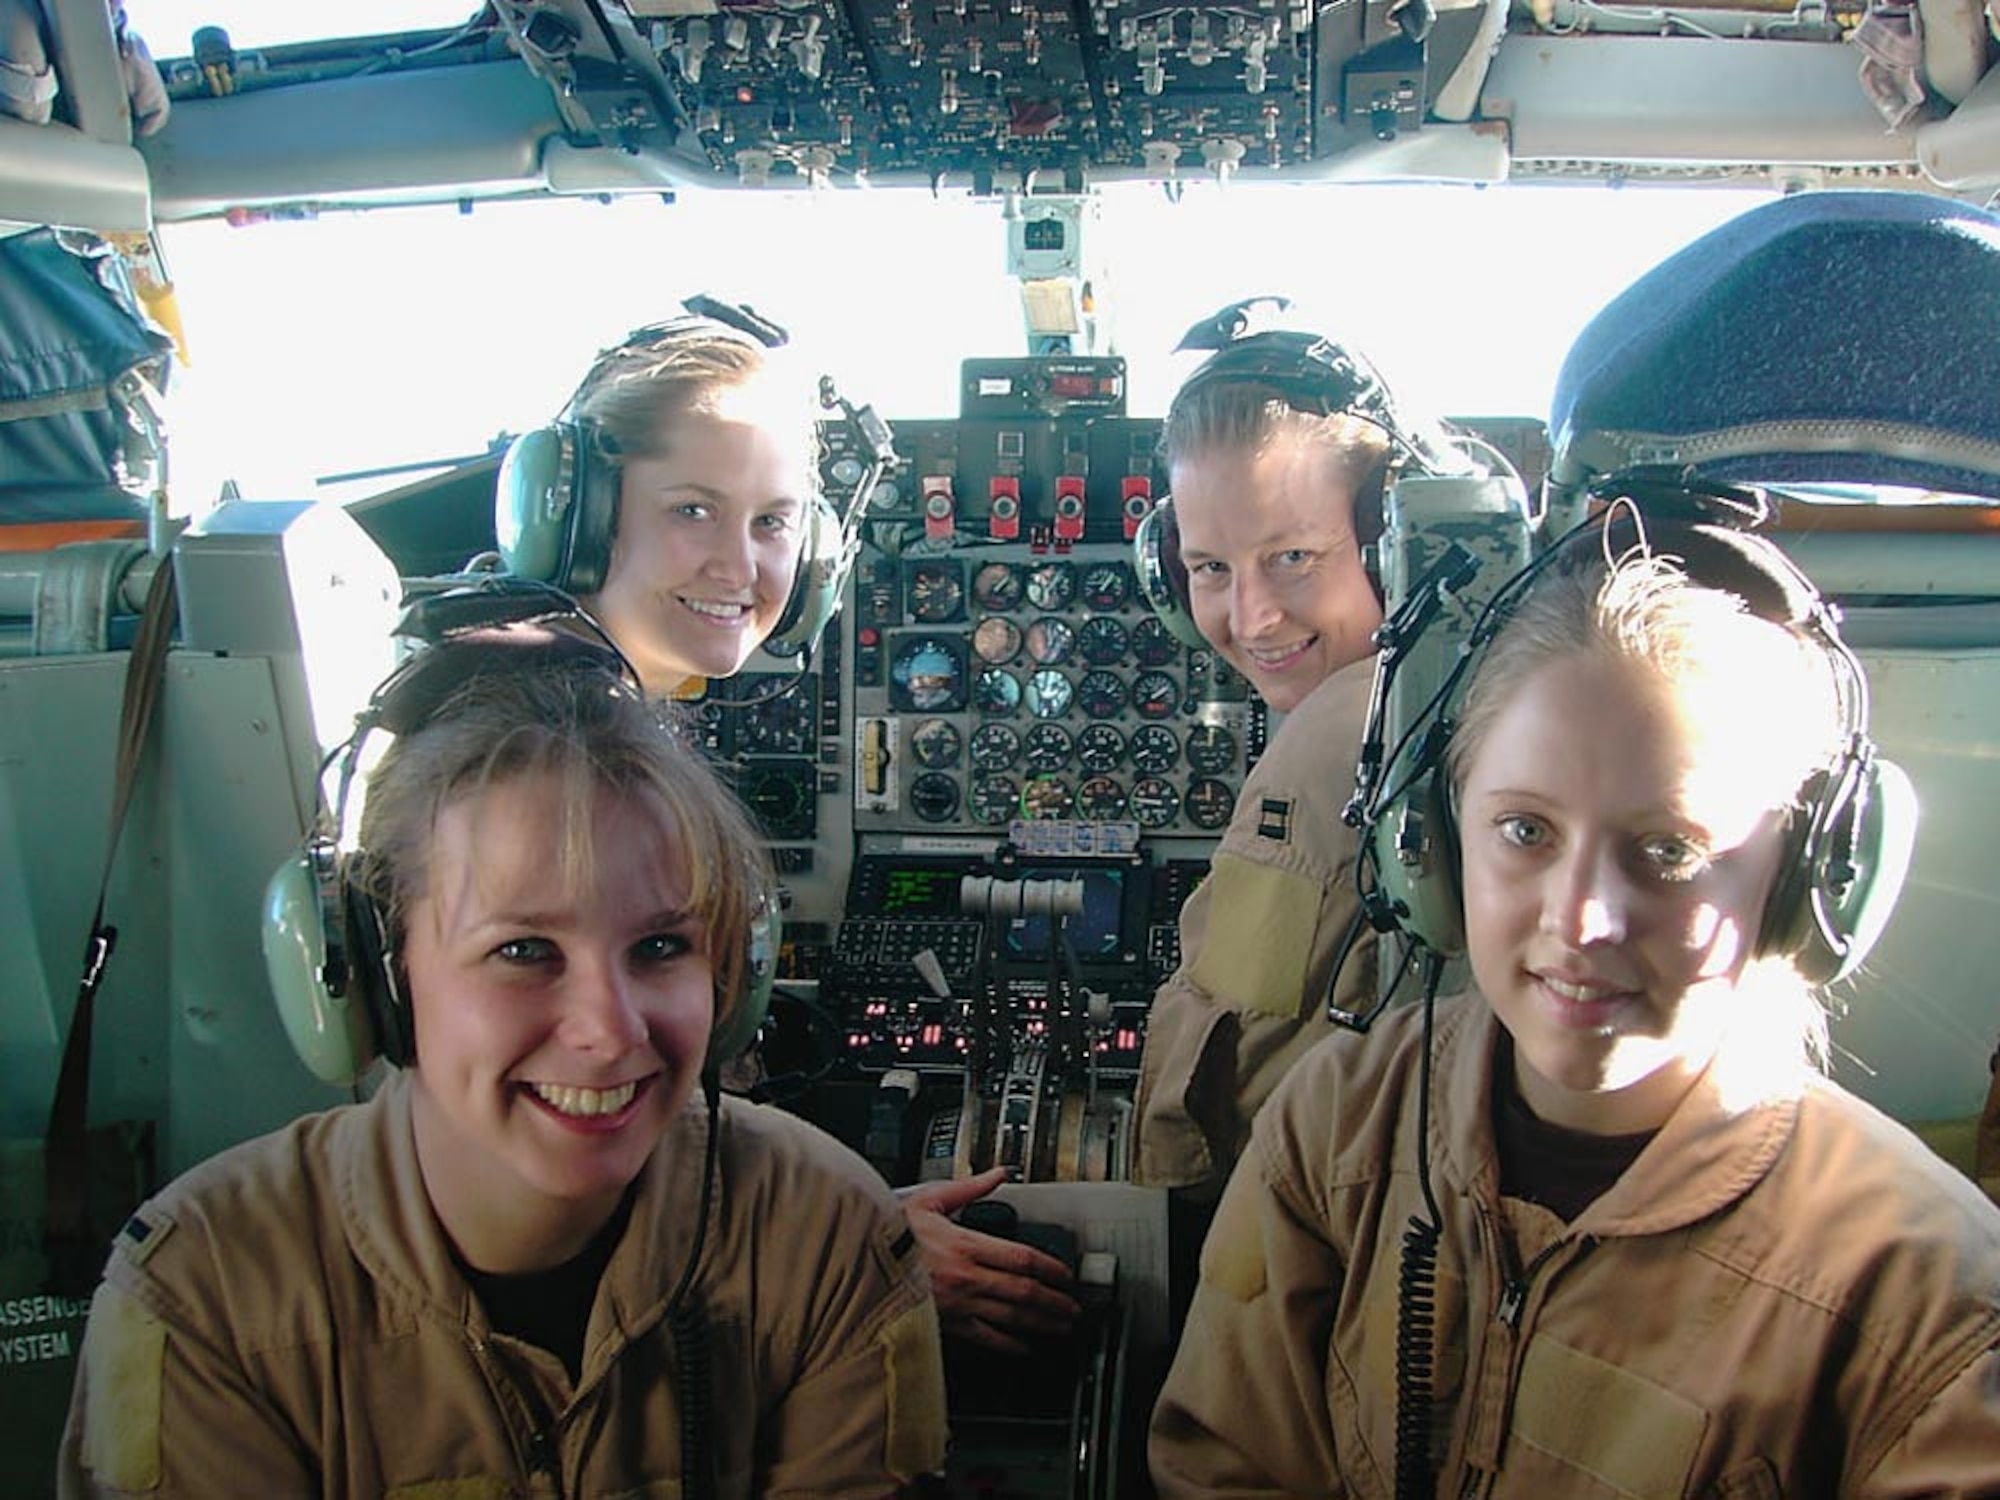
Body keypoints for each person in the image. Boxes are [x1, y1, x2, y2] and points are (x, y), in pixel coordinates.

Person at [1149, 516, 2000, 1494]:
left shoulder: (1928, 1300)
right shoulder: (1339, 1118)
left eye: (1669, 851)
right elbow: (1223, 1466)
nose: (1582, 920)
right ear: (1428, 843)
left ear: (1799, 888)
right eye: (1523, 829)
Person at [58, 628, 950, 1497]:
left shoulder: (826, 1238)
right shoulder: (206, 1297)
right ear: (376, 977)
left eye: (661, 946)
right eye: (525, 951)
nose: (610, 1029)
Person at [498, 304, 1082, 1354]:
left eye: (771, 522)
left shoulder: (559, 692)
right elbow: (557, 1164)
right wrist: (855, 1251)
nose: (739, 566)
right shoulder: (548, 759)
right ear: (575, 512)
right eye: (691, 510)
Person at [1131, 298, 1470, 1197]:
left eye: (1292, 558)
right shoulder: (1478, 680)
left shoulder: (1342, 734)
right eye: (1209, 568)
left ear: (1395, 547)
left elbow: (1209, 1094)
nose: (1250, 620)